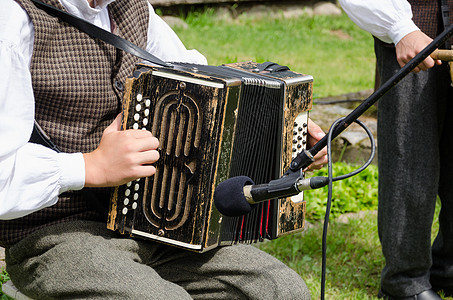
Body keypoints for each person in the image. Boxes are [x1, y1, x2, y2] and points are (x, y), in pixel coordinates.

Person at [0, 0, 327, 299]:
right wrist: (90, 167)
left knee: (279, 289)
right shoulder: (13, 20)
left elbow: (199, 84)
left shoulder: (133, 9)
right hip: (56, 233)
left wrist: (285, 143)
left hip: (160, 225)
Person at [339, 0, 453, 299]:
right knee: (410, 161)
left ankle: (449, 268)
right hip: (410, 36)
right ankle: (406, 283)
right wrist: (400, 27)